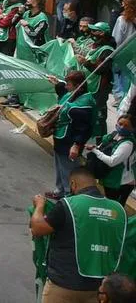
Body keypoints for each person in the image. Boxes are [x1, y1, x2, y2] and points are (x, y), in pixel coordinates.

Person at [30, 167, 127, 302]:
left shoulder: (68, 204)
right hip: (100, 289)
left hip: (63, 285)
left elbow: (37, 229)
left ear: (73, 184)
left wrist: (40, 205)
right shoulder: (119, 210)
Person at [46, 70, 97, 199]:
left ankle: (68, 196)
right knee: (59, 166)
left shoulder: (84, 104)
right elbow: (64, 95)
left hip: (69, 142)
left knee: (68, 170)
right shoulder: (73, 94)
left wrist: (76, 145)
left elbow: (83, 128)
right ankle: (60, 190)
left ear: (78, 85)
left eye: (68, 84)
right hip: (61, 138)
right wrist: (57, 84)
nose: (66, 86)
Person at [87, 113, 135, 203]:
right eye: (120, 124)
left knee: (115, 206)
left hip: (122, 182)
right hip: (111, 179)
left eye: (126, 126)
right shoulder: (115, 135)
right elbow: (104, 148)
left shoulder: (127, 144)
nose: (122, 127)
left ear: (132, 129)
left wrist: (94, 150)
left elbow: (112, 161)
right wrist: (96, 148)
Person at [81, 22, 115, 138]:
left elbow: (101, 69)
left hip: (100, 88)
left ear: (102, 33)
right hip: (90, 85)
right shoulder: (96, 46)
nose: (91, 33)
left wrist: (85, 63)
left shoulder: (107, 50)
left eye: (94, 31)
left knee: (99, 114)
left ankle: (100, 140)